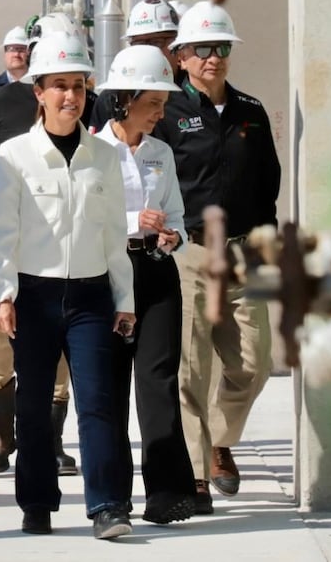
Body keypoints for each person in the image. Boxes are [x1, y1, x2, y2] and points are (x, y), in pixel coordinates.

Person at [0, 30, 136, 540]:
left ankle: (108, 506)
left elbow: (115, 233)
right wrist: (3, 293)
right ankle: (36, 502)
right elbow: (2, 231)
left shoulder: (105, 157)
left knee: (97, 401)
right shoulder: (14, 155)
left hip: (92, 295)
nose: (70, 96)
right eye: (59, 86)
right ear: (39, 92)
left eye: (77, 85)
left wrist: (125, 299)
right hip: (35, 295)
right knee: (31, 406)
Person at [152, 1, 281, 514]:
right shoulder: (167, 112)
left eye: (222, 48)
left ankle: (219, 438)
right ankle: (197, 473)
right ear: (181, 56)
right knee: (190, 368)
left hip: (244, 253)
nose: (214, 58)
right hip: (188, 250)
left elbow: (268, 183)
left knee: (255, 361)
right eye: (203, 49)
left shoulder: (251, 111)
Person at [0, 12, 93, 475]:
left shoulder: (88, 105)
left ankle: (51, 440)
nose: (69, 92)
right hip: (7, 240)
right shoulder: (3, 103)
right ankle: (0, 432)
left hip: (65, 246)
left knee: (56, 352)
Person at [94, 45, 197, 524]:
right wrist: (137, 218)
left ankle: (169, 491)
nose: (161, 112)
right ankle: (112, 497)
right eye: (153, 102)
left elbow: (176, 215)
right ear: (124, 100)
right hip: (107, 271)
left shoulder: (161, 153)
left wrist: (173, 235)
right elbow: (86, 217)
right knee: (109, 385)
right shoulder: (92, 152)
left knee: (158, 381)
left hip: (156, 271)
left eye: (163, 103)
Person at [89, 0, 181, 132]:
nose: (148, 51)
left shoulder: (196, 94)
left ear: (175, 43)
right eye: (139, 43)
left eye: (157, 42)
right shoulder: (111, 97)